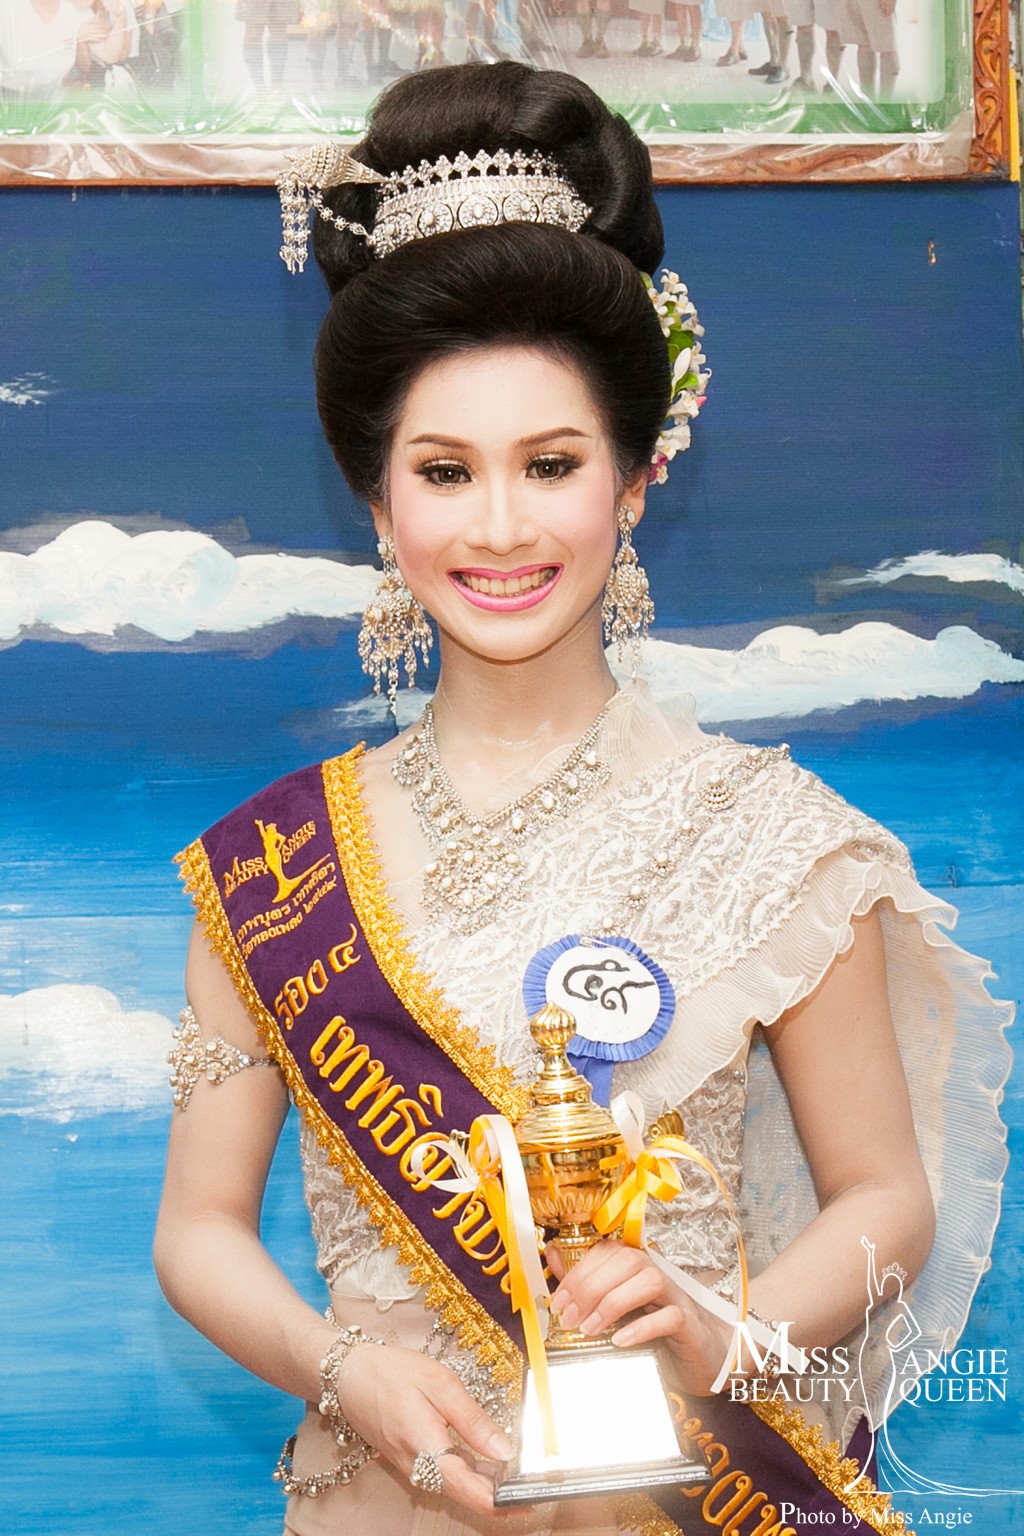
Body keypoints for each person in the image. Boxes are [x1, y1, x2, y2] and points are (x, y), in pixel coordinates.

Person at [154, 62, 1009, 1536]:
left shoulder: (778, 840)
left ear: (634, 480)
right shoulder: (275, 868)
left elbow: (885, 1203)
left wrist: (720, 1331)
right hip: (386, 1494)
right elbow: (197, 1231)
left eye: (550, 464)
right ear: (377, 504)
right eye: (444, 472)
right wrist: (345, 1369)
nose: (500, 527)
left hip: (681, 1488)